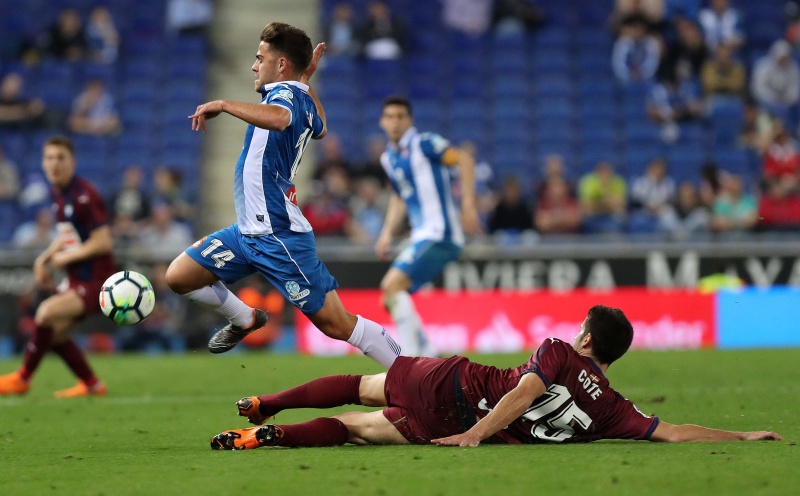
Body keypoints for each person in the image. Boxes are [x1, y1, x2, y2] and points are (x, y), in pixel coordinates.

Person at [209, 305, 782, 450]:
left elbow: (527, 390)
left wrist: (474, 435)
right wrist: (741, 435)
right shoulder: (612, 409)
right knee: (357, 428)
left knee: (362, 387)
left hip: (454, 387)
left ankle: (268, 403)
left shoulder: (558, 352)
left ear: (587, 340)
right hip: (446, 423)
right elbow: (675, 432)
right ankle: (269, 436)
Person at [164, 22, 402, 368]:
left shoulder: (285, 97)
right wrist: (306, 80)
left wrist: (224, 104)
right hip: (247, 232)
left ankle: (413, 373)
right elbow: (321, 128)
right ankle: (245, 319)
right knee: (180, 277)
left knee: (337, 324)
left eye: (260, 58)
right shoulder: (299, 94)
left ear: (280, 64)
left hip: (278, 235)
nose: (254, 66)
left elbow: (279, 119)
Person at [0, 136, 115, 397]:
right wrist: (44, 258)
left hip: (96, 281)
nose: (54, 163)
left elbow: (103, 242)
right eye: (49, 158)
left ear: (72, 162)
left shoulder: (84, 196)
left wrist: (67, 257)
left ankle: (22, 378)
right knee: (56, 335)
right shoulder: (59, 194)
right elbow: (68, 234)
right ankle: (92, 385)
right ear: (43, 163)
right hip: (78, 278)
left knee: (45, 313)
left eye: (60, 158)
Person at [374, 97, 479, 357]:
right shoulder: (389, 158)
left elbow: (464, 159)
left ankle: (410, 359)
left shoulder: (425, 143)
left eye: (401, 116)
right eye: (390, 117)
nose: (395, 122)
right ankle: (429, 354)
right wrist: (386, 232)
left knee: (391, 286)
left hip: (441, 233)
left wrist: (467, 203)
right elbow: (400, 197)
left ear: (410, 120)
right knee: (390, 296)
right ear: (382, 122)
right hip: (422, 236)